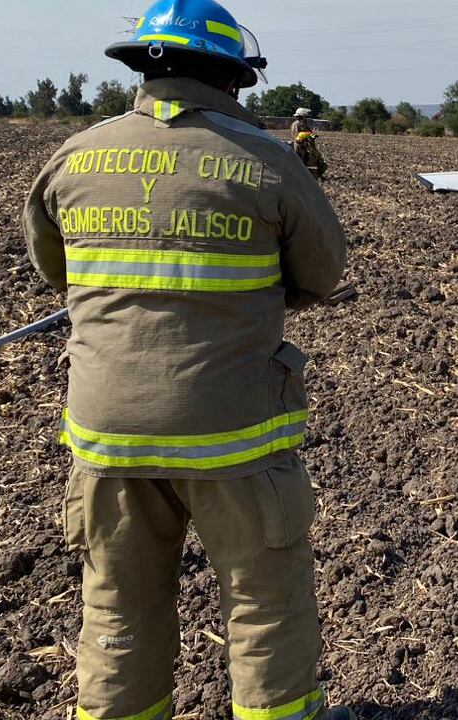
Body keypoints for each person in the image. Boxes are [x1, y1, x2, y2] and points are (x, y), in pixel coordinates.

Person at [21, 1, 352, 718]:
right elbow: (324, 273)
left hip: (107, 437)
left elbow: (62, 273)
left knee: (116, 614)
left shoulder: (73, 159)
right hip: (236, 433)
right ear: (233, 78)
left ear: (142, 67)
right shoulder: (266, 161)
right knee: (265, 611)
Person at [291, 108, 327, 179]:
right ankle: (299, 177)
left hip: (307, 145)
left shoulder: (304, 123)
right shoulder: (296, 124)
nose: (306, 117)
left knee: (319, 159)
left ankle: (316, 175)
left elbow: (310, 133)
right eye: (305, 115)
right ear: (302, 115)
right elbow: (297, 136)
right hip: (299, 146)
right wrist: (304, 136)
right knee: (299, 162)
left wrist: (313, 135)